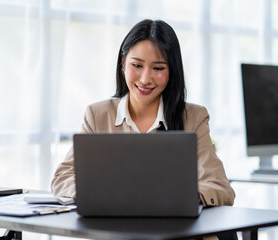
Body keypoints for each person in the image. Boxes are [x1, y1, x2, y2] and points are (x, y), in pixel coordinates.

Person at [51, 19, 235, 207]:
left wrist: (176, 196)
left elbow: (220, 188)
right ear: (123, 64)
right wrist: (104, 193)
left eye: (158, 68)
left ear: (171, 71)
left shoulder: (193, 117)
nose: (145, 79)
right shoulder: (97, 115)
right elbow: (62, 178)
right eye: (137, 65)